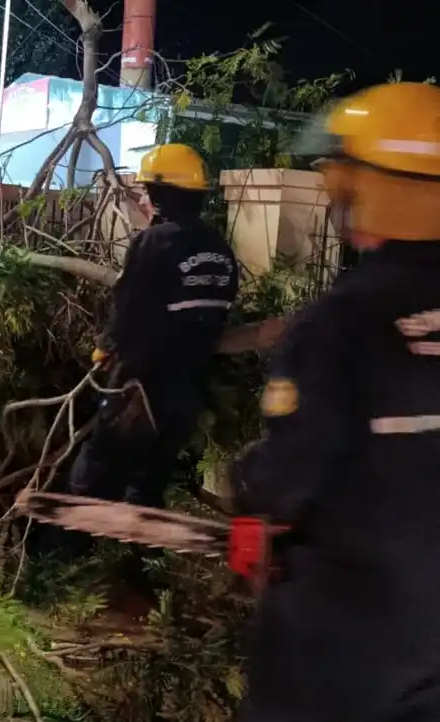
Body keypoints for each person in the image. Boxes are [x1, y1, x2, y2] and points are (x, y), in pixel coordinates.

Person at [233, 82, 440, 722]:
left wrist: (250, 500)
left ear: (371, 188)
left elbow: (290, 474)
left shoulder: (340, 324)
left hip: (342, 648)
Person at [67, 143, 239, 510]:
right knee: (148, 485)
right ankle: (134, 556)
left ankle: (69, 552)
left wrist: (106, 345)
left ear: (162, 195)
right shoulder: (221, 251)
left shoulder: (155, 242)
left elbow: (130, 305)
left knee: (96, 473)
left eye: (146, 191)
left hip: (139, 386)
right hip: (188, 390)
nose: (143, 200)